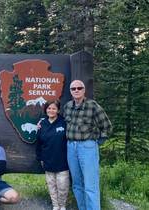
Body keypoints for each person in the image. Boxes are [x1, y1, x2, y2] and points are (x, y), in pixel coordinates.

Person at [62, 80, 112, 210]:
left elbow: (107, 127)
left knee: (91, 186)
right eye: (73, 89)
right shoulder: (67, 107)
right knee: (77, 185)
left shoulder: (93, 106)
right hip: (71, 147)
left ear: (84, 90)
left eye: (79, 88)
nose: (76, 90)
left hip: (87, 147)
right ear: (70, 91)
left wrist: (95, 142)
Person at [36, 100, 69, 210]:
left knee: (62, 185)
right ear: (46, 110)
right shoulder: (42, 124)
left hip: (62, 160)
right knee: (51, 185)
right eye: (49, 108)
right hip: (47, 159)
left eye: (54, 108)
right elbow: (38, 143)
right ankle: (55, 206)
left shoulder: (64, 122)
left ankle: (62, 206)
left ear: (58, 110)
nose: (51, 110)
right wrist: (40, 157)